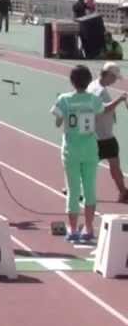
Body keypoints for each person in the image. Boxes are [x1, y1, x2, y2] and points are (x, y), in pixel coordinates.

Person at [52, 65, 106, 242]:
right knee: (90, 188)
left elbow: (58, 122)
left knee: (73, 189)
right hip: (90, 148)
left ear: (72, 81)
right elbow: (98, 114)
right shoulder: (94, 100)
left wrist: (65, 115)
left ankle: (74, 229)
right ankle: (89, 228)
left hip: (71, 149)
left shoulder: (64, 99)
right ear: (89, 81)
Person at [89, 62, 128, 203]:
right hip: (99, 136)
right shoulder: (97, 90)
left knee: (114, 165)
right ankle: (77, 189)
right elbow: (102, 109)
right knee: (91, 167)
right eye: (114, 78)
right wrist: (120, 99)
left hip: (105, 135)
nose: (114, 81)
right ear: (108, 75)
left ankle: (123, 192)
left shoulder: (98, 86)